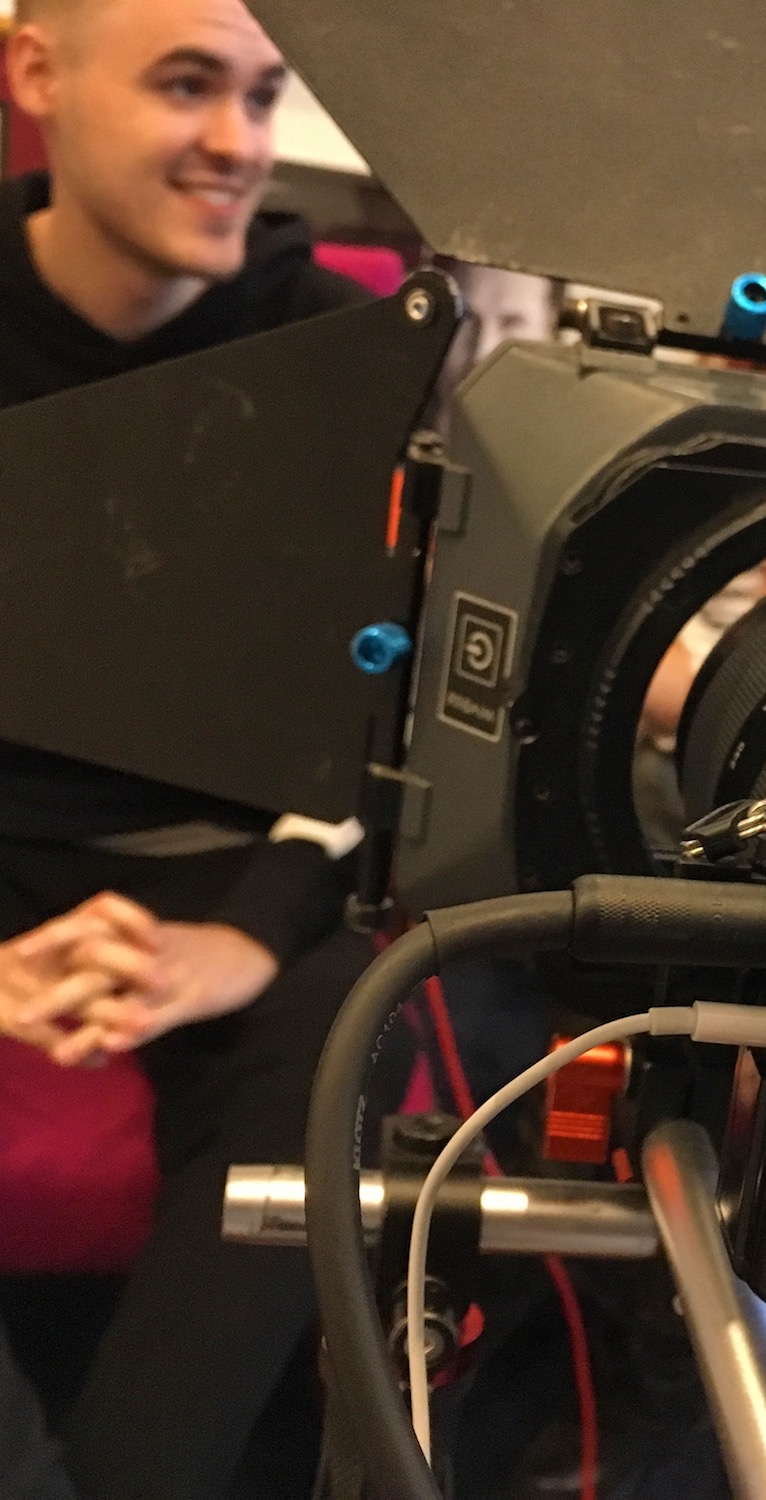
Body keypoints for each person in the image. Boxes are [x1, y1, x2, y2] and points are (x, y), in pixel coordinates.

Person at [0, 1, 394, 1495]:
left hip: (224, 869)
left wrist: (248, 935)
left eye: (264, 93)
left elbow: (372, 702)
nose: (240, 143)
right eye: (187, 86)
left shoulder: (336, 343)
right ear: (38, 73)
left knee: (350, 1024)